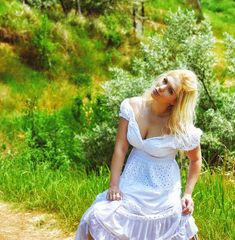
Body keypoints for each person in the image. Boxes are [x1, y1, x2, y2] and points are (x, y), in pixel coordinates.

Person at [75, 70, 203, 240]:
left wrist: (187, 194)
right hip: (132, 178)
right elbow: (121, 147)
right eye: (165, 81)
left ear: (175, 101)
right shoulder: (132, 106)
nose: (161, 87)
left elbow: (195, 159)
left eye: (170, 90)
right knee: (98, 216)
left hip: (163, 187)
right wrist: (114, 185)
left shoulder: (180, 126)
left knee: (175, 224)